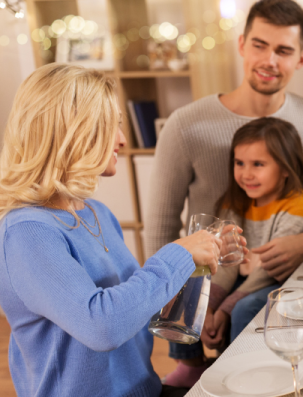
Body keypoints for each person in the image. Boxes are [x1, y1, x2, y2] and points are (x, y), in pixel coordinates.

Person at [144, 0, 303, 382]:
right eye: (260, 45)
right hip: (214, 269)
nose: (270, 60)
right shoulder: (185, 125)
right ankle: (192, 370)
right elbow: (161, 225)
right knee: (186, 315)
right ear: (242, 44)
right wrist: (165, 289)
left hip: (279, 270)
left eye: (283, 50)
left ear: (301, 58)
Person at [0, 63, 232, 397]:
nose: (122, 139)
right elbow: (103, 326)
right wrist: (179, 253)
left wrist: (198, 267)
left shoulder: (97, 214)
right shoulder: (26, 233)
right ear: (72, 131)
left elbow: (134, 310)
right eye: (111, 126)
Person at [164, 117, 303, 385]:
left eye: (258, 165)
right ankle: (191, 363)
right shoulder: (235, 202)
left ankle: (241, 372)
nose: (246, 174)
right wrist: (210, 305)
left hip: (280, 280)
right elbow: (228, 261)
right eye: (239, 163)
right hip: (246, 274)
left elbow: (265, 270)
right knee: (187, 288)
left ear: (286, 168)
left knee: (243, 308)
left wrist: (224, 310)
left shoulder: (299, 206)